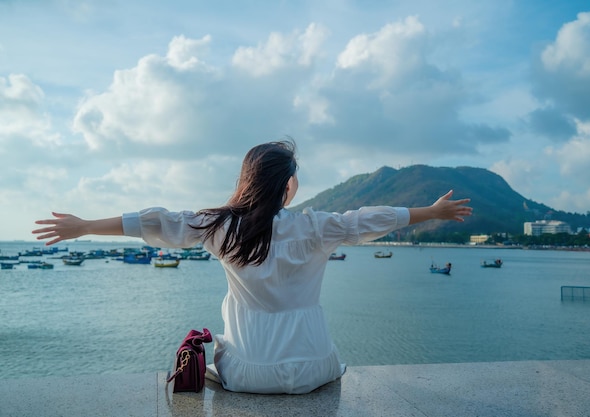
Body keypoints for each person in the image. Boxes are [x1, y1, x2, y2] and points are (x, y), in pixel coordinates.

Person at [32, 140, 472, 394]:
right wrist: (430, 213)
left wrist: (86, 226)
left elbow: (155, 221)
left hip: (249, 375)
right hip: (318, 367)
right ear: (288, 186)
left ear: (247, 180)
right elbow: (368, 218)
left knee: (207, 350)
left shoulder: (219, 226)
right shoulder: (317, 227)